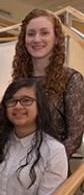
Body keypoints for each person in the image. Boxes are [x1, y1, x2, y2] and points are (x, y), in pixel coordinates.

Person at [12, 8, 84, 159]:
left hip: (52, 171)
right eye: (31, 34)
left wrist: (45, 164)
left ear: (56, 38)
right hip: (16, 168)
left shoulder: (71, 79)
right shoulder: (19, 80)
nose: (36, 39)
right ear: (24, 39)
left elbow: (75, 136)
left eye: (44, 33)